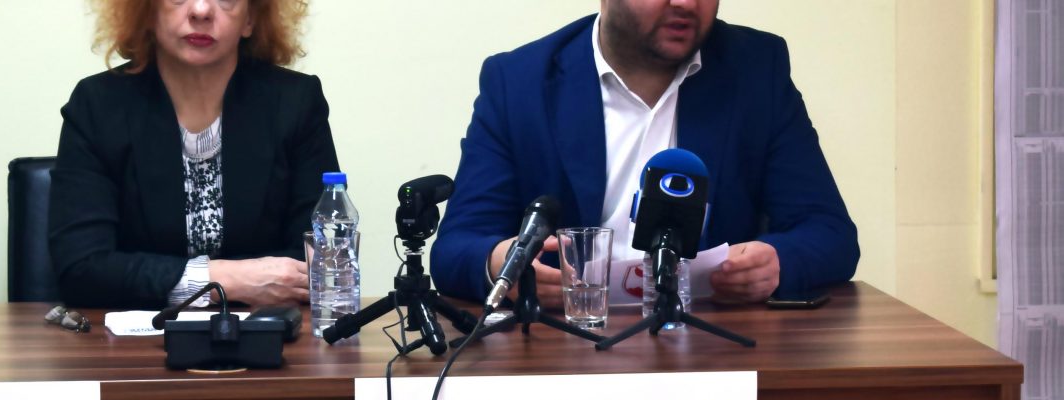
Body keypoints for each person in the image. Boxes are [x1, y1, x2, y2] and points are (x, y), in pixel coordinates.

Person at [431, 0, 859, 308]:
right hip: (562, 347)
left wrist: (778, 262)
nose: (686, 3)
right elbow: (457, 247)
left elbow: (830, 233)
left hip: (711, 350)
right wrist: (501, 265)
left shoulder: (755, 70)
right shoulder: (518, 83)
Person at [50, 0, 339, 309]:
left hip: (266, 330)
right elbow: (82, 268)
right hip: (135, 335)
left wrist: (160, 277)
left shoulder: (295, 103)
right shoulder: (98, 106)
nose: (201, 10)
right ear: (147, 11)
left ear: (250, 18)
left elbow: (321, 258)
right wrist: (223, 280)